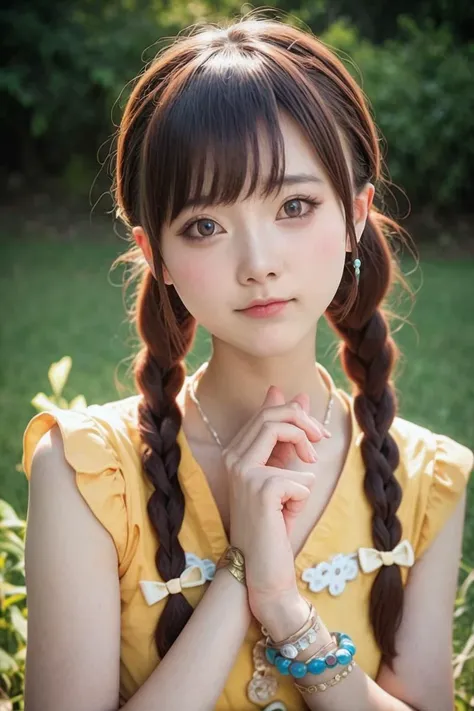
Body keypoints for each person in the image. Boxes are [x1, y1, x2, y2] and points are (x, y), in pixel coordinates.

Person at [21, 13, 473, 711]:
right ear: (155, 254)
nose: (258, 264)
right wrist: (238, 570)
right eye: (205, 226)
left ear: (356, 215)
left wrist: (287, 610)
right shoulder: (86, 470)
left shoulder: (426, 478)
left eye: (295, 205)